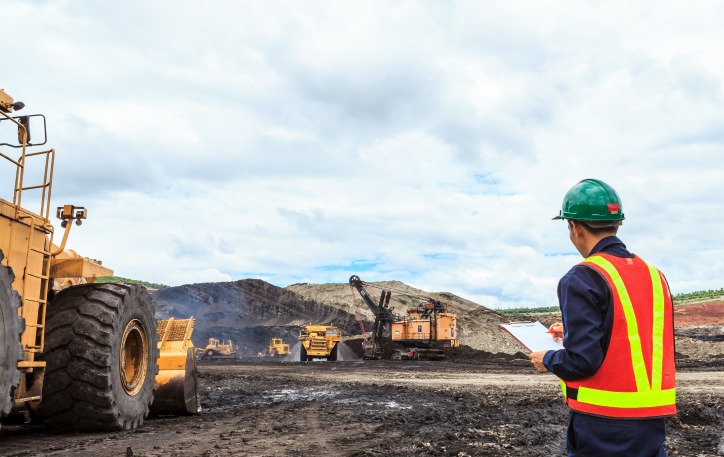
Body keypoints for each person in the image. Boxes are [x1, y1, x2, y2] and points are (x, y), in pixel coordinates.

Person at [529, 178, 676, 456]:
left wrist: (546, 358)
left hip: (603, 426)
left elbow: (582, 361)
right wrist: (573, 330)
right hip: (651, 424)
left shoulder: (581, 277)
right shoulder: (655, 276)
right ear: (617, 224)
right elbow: (636, 333)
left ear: (574, 227)